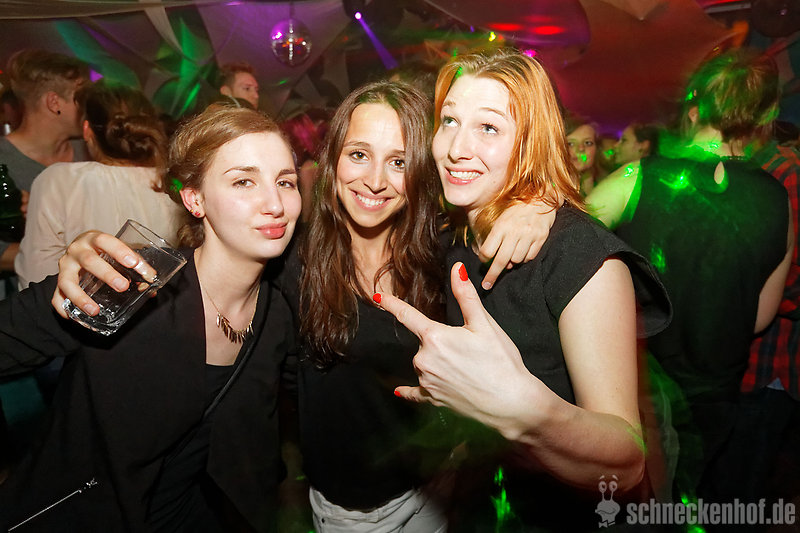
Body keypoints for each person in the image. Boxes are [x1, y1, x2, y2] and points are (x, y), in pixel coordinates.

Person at [49, 78, 557, 532]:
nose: (375, 179)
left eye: (399, 161)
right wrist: (89, 259)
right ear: (332, 160)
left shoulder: (447, 256)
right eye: (359, 154)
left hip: (435, 487)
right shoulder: (289, 259)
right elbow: (209, 270)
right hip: (347, 509)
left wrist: (538, 205)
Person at [378, 47, 671, 531]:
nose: (456, 147)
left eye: (489, 128)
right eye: (449, 121)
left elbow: (626, 463)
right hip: (490, 503)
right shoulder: (456, 231)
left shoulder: (583, 259)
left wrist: (522, 410)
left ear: (530, 143)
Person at [0, 106, 301, 532]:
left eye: (285, 182)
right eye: (243, 181)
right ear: (194, 199)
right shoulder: (129, 283)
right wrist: (71, 276)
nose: (275, 204)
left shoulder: (277, 314)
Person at [586, 48, 793, 504]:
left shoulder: (640, 176)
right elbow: (760, 318)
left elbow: (564, 247)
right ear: (764, 115)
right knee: (686, 499)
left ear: (694, 106)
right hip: (714, 397)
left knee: (629, 502)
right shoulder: (778, 200)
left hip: (638, 386)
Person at [15, 81, 183, 289]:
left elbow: (34, 280)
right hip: (161, 307)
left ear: (87, 131)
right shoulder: (176, 185)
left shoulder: (60, 181)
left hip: (83, 306)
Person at [0, 49, 89, 274]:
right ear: (54, 102)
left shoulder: (91, 153)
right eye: (82, 98)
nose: (90, 106)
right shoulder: (3, 160)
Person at [565, 113, 601, 196]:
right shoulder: (547, 191)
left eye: (587, 143)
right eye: (571, 144)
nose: (581, 149)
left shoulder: (606, 187)